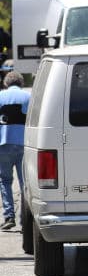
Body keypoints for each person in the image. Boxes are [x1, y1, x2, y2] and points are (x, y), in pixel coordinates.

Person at [0, 70, 30, 230]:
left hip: (3, 145)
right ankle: (25, 218)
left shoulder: (0, 96)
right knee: (25, 183)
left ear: (6, 83)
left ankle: (8, 216)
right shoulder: (29, 97)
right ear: (21, 83)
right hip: (24, 145)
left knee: (5, 181)